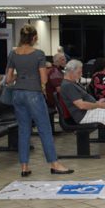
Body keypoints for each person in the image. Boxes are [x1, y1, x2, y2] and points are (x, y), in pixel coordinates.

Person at [5, 25, 72, 177]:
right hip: (33, 94)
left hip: (17, 94)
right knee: (44, 129)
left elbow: (8, 79)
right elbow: (43, 78)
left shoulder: (13, 54)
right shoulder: (38, 54)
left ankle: (24, 166)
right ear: (34, 38)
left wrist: (21, 75)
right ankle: (54, 164)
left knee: (23, 130)